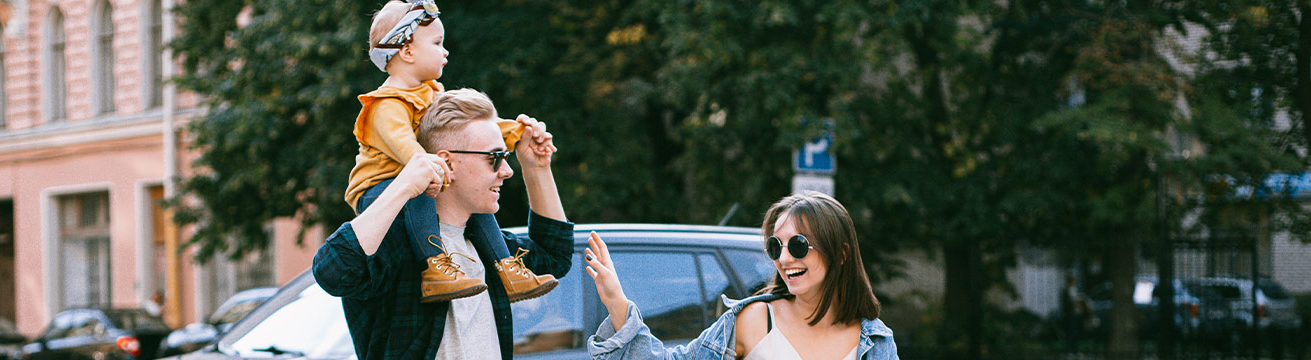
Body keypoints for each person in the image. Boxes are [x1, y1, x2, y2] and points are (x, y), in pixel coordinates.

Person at [313, 88, 573, 360]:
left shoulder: (489, 246)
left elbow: (555, 256)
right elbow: (332, 271)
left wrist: (537, 168)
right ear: (447, 161)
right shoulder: (397, 246)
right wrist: (405, 183)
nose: (507, 171)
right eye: (494, 158)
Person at [344, 0, 555, 303]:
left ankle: (507, 269)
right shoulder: (385, 104)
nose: (445, 51)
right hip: (380, 189)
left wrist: (518, 133)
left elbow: (472, 128)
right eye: (437, 43)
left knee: (473, 195)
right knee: (421, 190)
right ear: (407, 51)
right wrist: (425, 167)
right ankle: (435, 269)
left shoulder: (433, 93)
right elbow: (405, 145)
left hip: (420, 175)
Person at [584, 191, 899, 359]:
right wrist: (617, 302)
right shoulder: (754, 319)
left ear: (841, 253)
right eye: (776, 246)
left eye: (799, 245)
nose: (785, 258)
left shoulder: (874, 340)